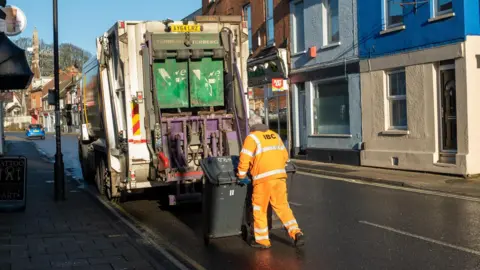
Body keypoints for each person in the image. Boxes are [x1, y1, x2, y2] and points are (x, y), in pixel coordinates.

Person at [237, 115, 305, 249]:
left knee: (259, 208)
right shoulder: (274, 135)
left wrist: (241, 175)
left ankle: (262, 241)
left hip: (263, 179)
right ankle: (296, 232)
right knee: (283, 207)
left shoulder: (252, 138)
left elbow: (244, 159)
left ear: (251, 126)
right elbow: (286, 157)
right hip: (279, 177)